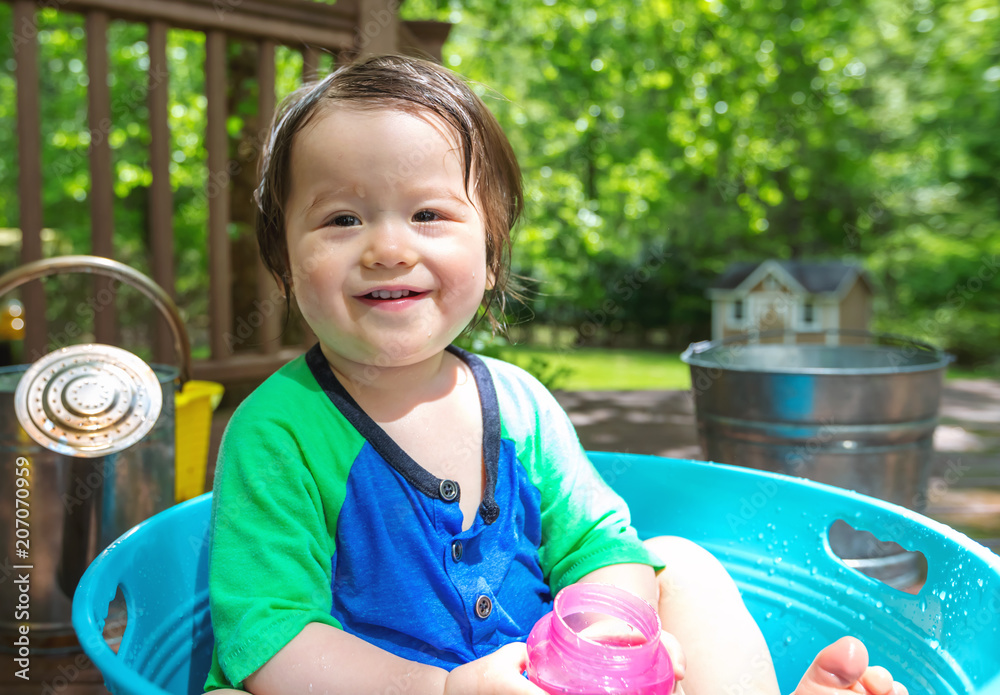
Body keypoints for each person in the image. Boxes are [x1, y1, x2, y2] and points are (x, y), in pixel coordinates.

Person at [204, 54, 908, 695]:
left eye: (427, 213)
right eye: (343, 218)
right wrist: (449, 690)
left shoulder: (518, 406)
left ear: (490, 245)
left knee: (678, 563)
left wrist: (609, 632)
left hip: (537, 679)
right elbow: (271, 642)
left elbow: (601, 546)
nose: (388, 246)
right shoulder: (278, 431)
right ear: (284, 260)